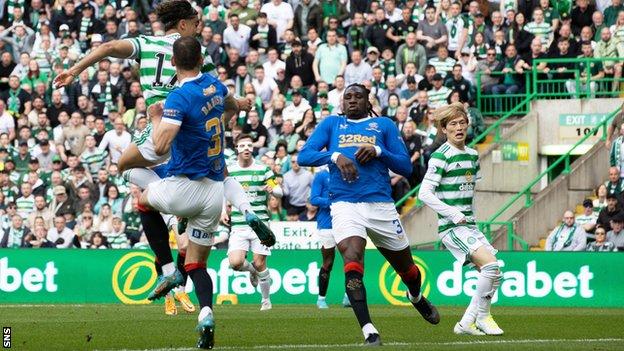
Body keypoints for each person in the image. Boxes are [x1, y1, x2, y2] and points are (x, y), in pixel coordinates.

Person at [138, 37, 274, 349]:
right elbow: (229, 105)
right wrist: (231, 113)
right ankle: (207, 314)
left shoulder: (178, 97)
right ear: (202, 60)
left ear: (173, 63)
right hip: (214, 193)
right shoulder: (214, 84)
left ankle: (169, 271)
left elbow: (159, 147)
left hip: (185, 184)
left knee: (143, 202)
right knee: (198, 265)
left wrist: (156, 117)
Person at [299, 83, 439, 346]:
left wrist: (379, 151)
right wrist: (336, 155)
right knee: (351, 260)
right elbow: (304, 155)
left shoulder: (384, 125)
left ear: (368, 102)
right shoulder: (332, 124)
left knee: (408, 270)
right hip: (344, 204)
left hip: (381, 205)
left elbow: (406, 167)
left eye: (358, 97)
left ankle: (416, 296)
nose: (352, 100)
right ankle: (369, 330)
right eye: (347, 97)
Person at [419, 102, 503, 336]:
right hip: (451, 226)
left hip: (469, 225)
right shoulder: (440, 156)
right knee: (491, 266)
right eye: (453, 124)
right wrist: (453, 213)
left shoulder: (472, 155)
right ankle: (484, 317)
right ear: (444, 129)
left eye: (462, 123)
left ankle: (466, 323)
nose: (459, 127)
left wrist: (471, 219)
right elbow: (424, 193)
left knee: (495, 274)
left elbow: (471, 193)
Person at [226, 134, 283, 311]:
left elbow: (279, 191)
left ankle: (265, 300)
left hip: (261, 225)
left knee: (260, 263)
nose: (246, 148)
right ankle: (251, 271)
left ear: (253, 148)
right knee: (235, 263)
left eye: (249, 145)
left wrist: (273, 190)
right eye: (242, 145)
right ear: (236, 148)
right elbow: (223, 191)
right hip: (239, 223)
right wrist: (222, 211)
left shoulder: (264, 169)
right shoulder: (229, 170)